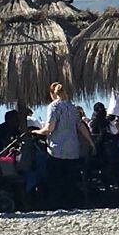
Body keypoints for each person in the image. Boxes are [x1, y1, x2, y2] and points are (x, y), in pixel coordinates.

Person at [31, 82, 92, 210]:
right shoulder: (73, 107)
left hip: (57, 149)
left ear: (53, 94)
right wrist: (91, 142)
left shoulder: (54, 107)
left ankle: (57, 204)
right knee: (70, 180)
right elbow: (80, 126)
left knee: (56, 180)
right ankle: (71, 203)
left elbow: (49, 128)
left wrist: (36, 132)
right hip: (72, 149)